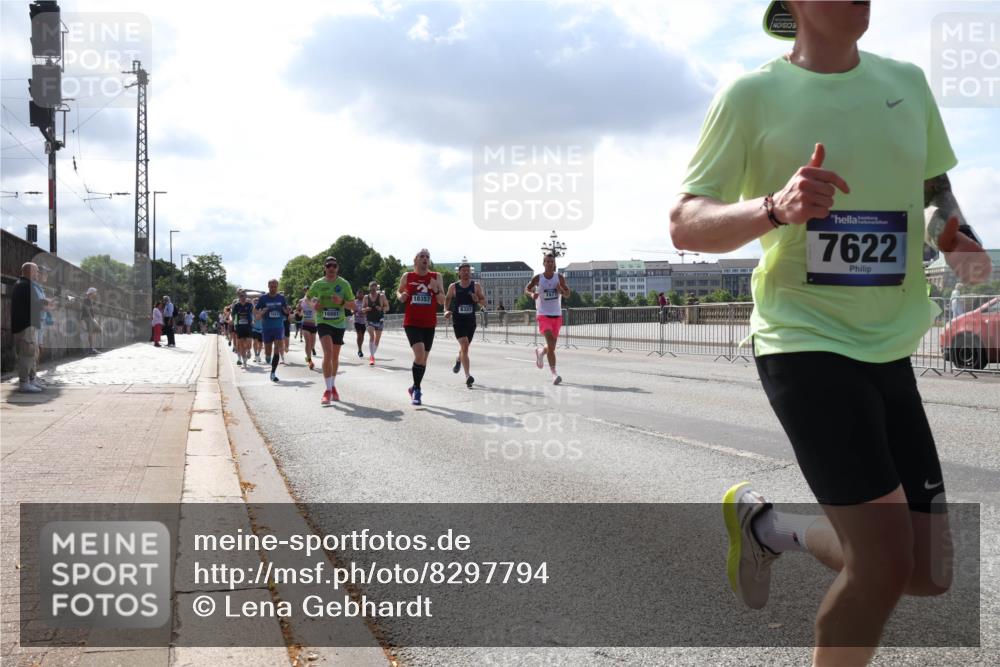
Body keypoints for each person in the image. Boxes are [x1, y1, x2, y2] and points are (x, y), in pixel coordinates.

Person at [669, 3, 991, 665]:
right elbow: (685, 221)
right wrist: (773, 207)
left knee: (925, 570)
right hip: (803, 339)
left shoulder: (905, 81)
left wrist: (954, 236)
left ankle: (769, 527)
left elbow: (932, 188)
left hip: (889, 343)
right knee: (881, 566)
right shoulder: (752, 95)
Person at [397, 249, 445, 405]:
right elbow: (398, 292)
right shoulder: (408, 276)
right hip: (412, 322)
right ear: (415, 260)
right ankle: (417, 390)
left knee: (423, 360)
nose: (425, 259)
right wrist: (401, 296)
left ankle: (414, 387)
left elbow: (442, 301)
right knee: (419, 354)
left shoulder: (436, 277)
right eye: (422, 256)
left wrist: (435, 288)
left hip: (429, 323)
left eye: (427, 257)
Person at [306, 257, 354, 404]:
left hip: (339, 323)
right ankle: (327, 390)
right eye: (329, 266)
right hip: (323, 321)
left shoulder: (344, 284)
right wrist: (313, 304)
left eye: (334, 265)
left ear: (337, 268)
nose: (331, 268)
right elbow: (307, 299)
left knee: (335, 357)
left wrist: (342, 302)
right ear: (325, 268)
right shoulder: (318, 284)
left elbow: (353, 305)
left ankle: (332, 386)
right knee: (328, 353)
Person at [525, 253, 570, 385]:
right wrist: (532, 294)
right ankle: (554, 374)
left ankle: (540, 352)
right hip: (543, 314)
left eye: (552, 262)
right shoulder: (538, 278)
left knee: (552, 347)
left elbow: (567, 294)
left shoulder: (559, 278)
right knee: (550, 341)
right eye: (547, 261)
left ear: (554, 264)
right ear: (543, 263)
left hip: (557, 315)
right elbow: (526, 289)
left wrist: (561, 289)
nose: (550, 264)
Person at [445, 262, 486, 387]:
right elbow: (447, 300)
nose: (466, 272)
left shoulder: (476, 286)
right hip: (458, 321)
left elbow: (484, 302)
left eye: (468, 270)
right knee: (465, 344)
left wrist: (477, 300)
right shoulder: (453, 287)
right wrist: (446, 310)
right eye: (464, 270)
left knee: (465, 348)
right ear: (459, 273)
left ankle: (458, 359)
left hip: (470, 322)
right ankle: (468, 376)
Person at [11, 262, 46, 393]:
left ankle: (31, 380)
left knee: (32, 354)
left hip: (29, 325)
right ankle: (24, 382)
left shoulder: (24, 285)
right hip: (26, 325)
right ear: (30, 271)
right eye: (36, 271)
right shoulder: (24, 286)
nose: (38, 274)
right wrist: (45, 304)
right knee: (27, 354)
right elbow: (34, 306)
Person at [255, 279, 290, 382]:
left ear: (277, 287)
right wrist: (261, 313)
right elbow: (255, 310)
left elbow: (285, 310)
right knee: (268, 353)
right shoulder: (263, 298)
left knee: (278, 349)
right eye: (271, 287)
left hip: (278, 326)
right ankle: (267, 357)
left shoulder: (281, 298)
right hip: (267, 327)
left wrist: (286, 311)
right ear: (268, 286)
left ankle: (273, 373)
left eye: (275, 287)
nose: (273, 289)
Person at [361, 281, 389, 365]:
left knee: (377, 339)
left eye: (374, 290)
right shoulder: (366, 297)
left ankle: (371, 354)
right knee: (372, 336)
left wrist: (381, 308)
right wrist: (366, 309)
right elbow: (362, 309)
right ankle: (372, 357)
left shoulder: (381, 296)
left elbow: (387, 307)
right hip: (369, 320)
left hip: (379, 319)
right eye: (371, 290)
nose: (372, 292)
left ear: (376, 289)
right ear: (369, 289)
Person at [231, 290, 255, 368]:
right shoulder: (236, 306)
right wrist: (232, 320)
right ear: (239, 297)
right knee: (241, 344)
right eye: (241, 296)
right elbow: (233, 315)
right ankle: (244, 361)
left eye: (244, 296)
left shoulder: (250, 305)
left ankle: (248, 350)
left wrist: (254, 319)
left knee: (249, 344)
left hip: (248, 326)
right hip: (239, 326)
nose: (243, 297)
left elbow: (254, 312)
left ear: (246, 296)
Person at [299, 285, 318, 370]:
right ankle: (310, 361)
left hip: (314, 324)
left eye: (308, 290)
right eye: (306, 290)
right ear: (304, 291)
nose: (307, 291)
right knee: (308, 342)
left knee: (312, 344)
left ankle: (308, 356)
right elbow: (299, 313)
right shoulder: (301, 301)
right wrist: (299, 312)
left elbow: (318, 309)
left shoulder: (315, 299)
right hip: (305, 324)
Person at [81, 287, 101, 354]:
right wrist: (91, 319)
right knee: (91, 332)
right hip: (88, 318)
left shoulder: (90, 300)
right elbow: (87, 309)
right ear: (91, 293)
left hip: (90, 318)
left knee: (97, 330)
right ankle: (91, 348)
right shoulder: (86, 299)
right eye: (95, 292)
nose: (96, 293)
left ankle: (92, 348)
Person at [352, 286, 367, 359]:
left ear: (363, 295)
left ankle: (360, 347)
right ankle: (359, 350)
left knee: (362, 336)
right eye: (358, 294)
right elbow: (351, 310)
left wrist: (364, 312)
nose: (360, 295)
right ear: (357, 295)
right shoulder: (354, 302)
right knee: (359, 334)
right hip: (357, 321)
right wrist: (354, 311)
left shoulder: (365, 301)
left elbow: (367, 310)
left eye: (361, 294)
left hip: (363, 321)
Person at [251, 298, 264, 362]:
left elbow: (259, 317)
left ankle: (258, 354)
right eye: (255, 302)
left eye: (257, 302)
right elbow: (255, 318)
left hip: (262, 329)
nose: (256, 303)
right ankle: (255, 355)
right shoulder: (251, 310)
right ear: (253, 303)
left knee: (260, 343)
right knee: (255, 342)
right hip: (254, 328)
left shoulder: (262, 309)